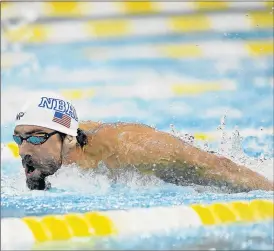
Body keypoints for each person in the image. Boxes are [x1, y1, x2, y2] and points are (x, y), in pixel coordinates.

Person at [13, 92, 273, 192]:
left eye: (36, 137)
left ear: (69, 139)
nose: (24, 149)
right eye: (19, 138)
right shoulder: (49, 154)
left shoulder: (131, 147)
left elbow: (218, 167)